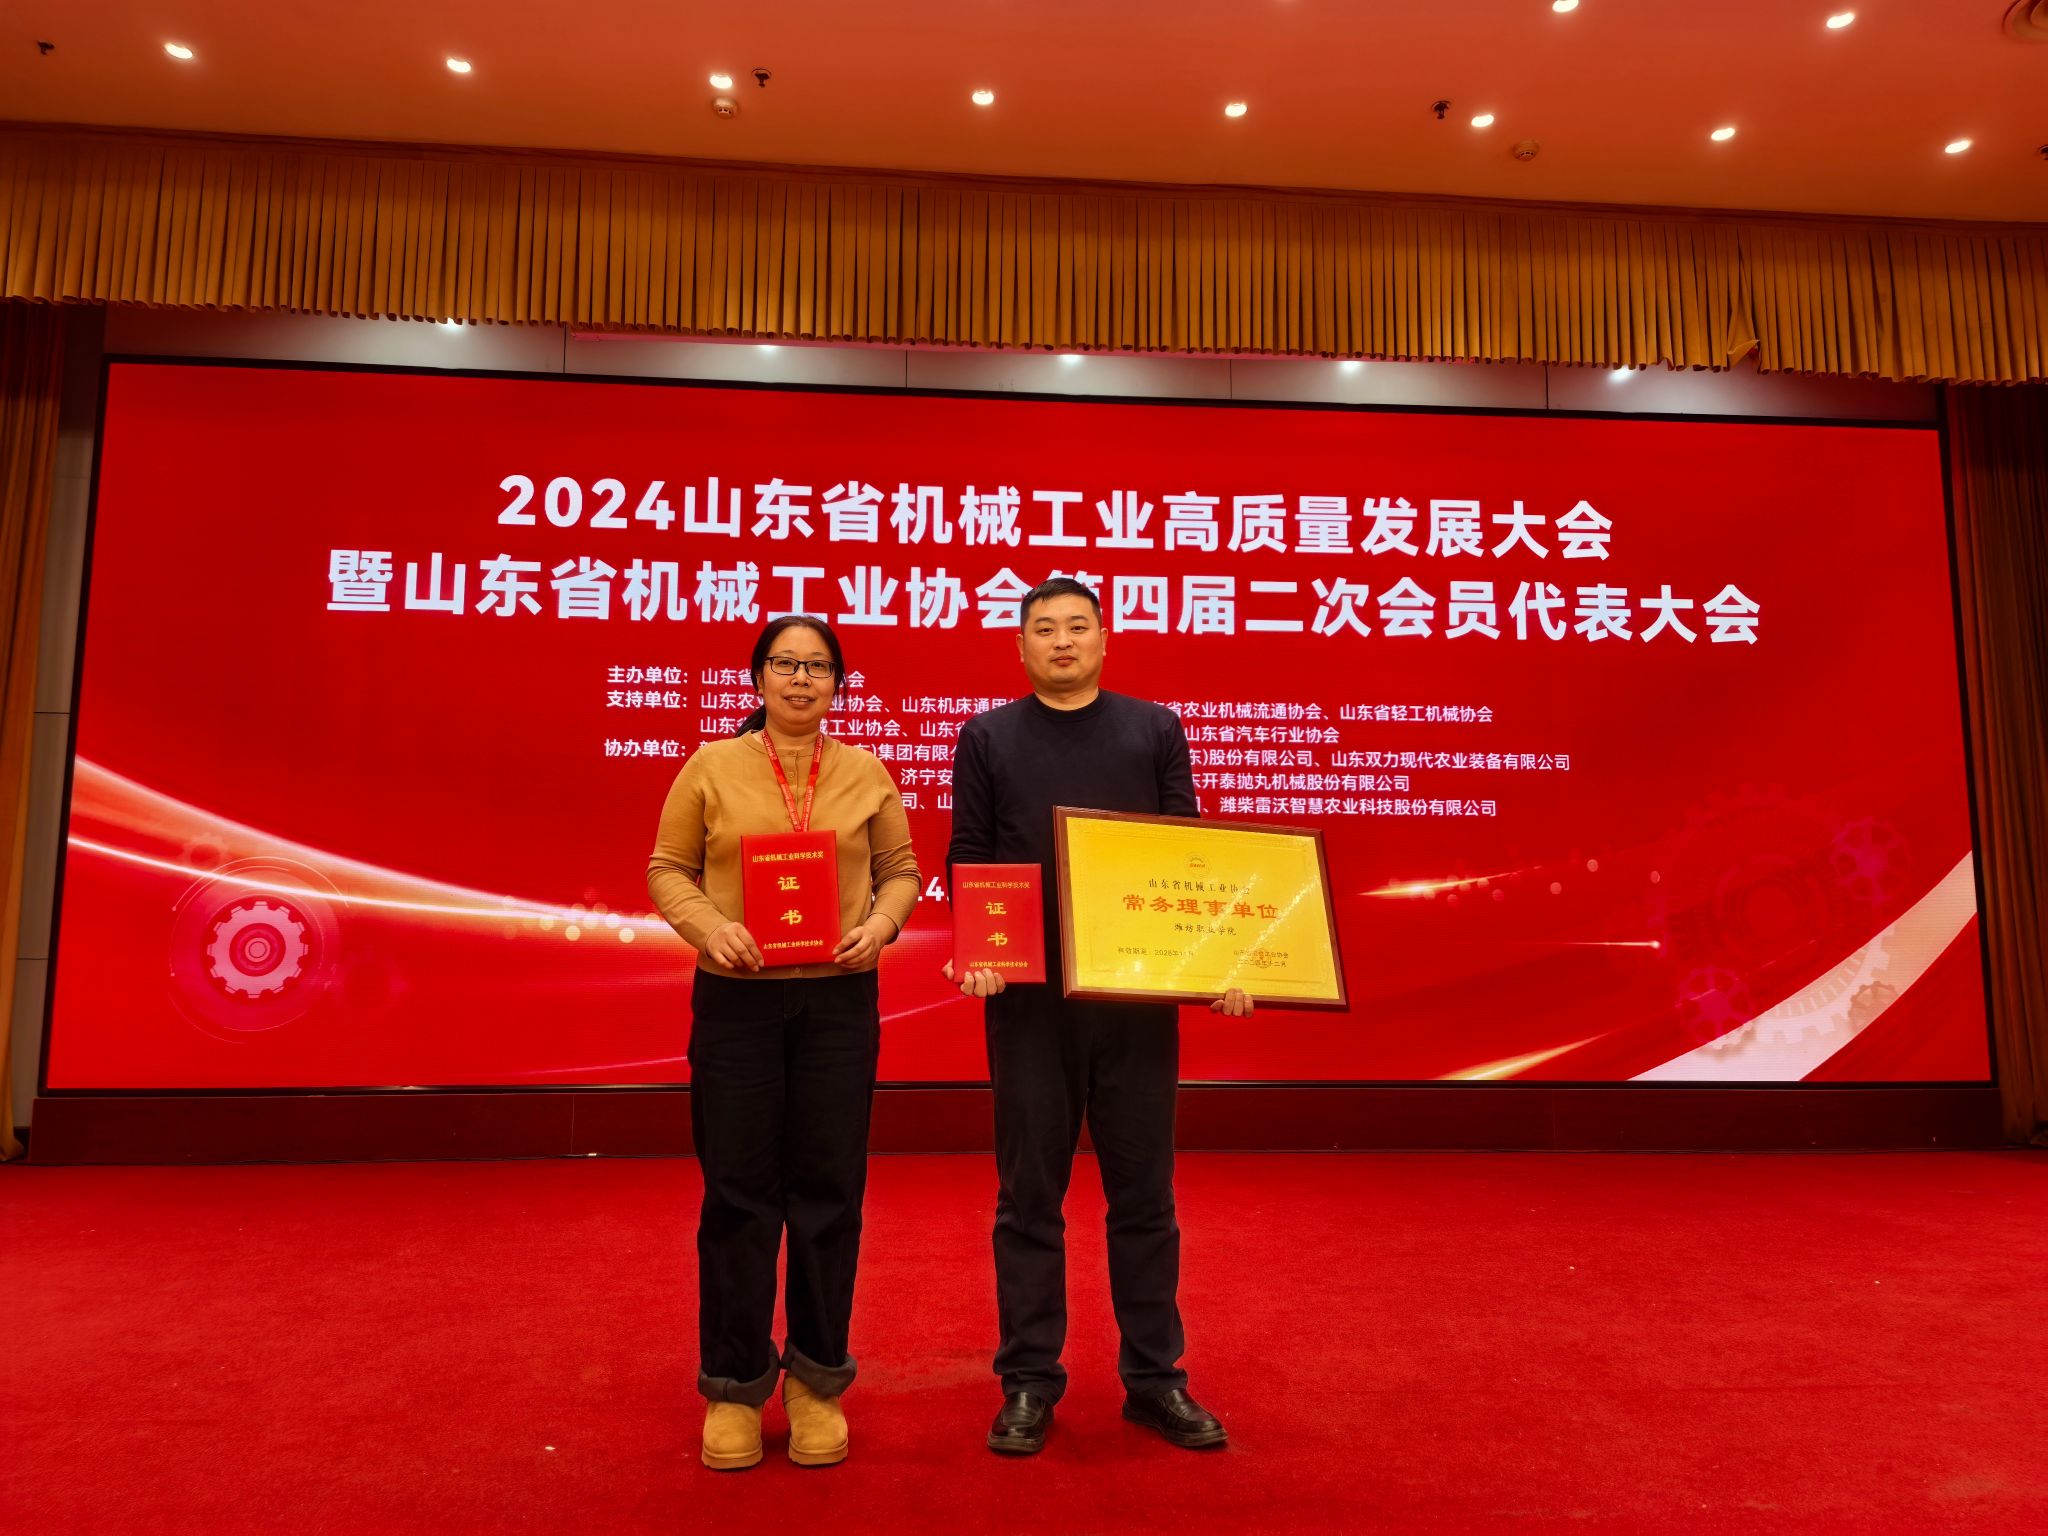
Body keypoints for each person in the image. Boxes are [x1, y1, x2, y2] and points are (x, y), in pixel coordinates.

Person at [945, 577, 1251, 1456]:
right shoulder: (987, 736)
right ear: (1020, 646)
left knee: (1145, 1199)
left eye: (1078, 626)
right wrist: (977, 949)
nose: (1063, 641)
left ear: (1105, 638)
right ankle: (1029, 1382)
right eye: (1044, 629)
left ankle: (1156, 1381)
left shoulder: (1153, 728)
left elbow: (1186, 856)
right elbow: (971, 854)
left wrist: (1214, 966)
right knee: (1028, 1201)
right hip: (1029, 1004)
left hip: (1135, 1003)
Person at [648, 615, 919, 1471]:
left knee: (829, 1194)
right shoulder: (711, 766)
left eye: (817, 666)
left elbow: (902, 871)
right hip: (738, 1003)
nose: (801, 679)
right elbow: (667, 869)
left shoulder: (867, 772)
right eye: (785, 664)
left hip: (838, 1003)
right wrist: (711, 927)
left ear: (839, 683)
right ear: (758, 678)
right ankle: (733, 1386)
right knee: (738, 1196)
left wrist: (881, 925)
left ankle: (815, 1383)